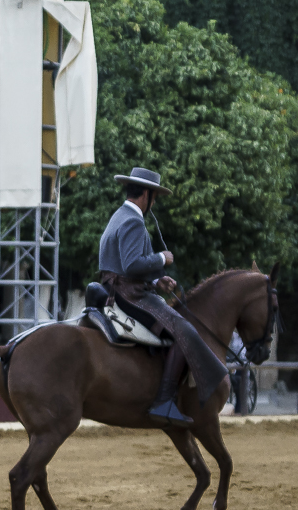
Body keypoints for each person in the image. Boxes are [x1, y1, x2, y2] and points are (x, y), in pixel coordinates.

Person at [97, 167, 228, 428]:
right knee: (184, 330)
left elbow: (125, 265)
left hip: (120, 288)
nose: (153, 203)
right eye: (154, 197)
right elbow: (132, 264)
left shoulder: (119, 216)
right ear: (146, 195)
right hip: (129, 295)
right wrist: (161, 258)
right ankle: (164, 401)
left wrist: (157, 279)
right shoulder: (133, 220)